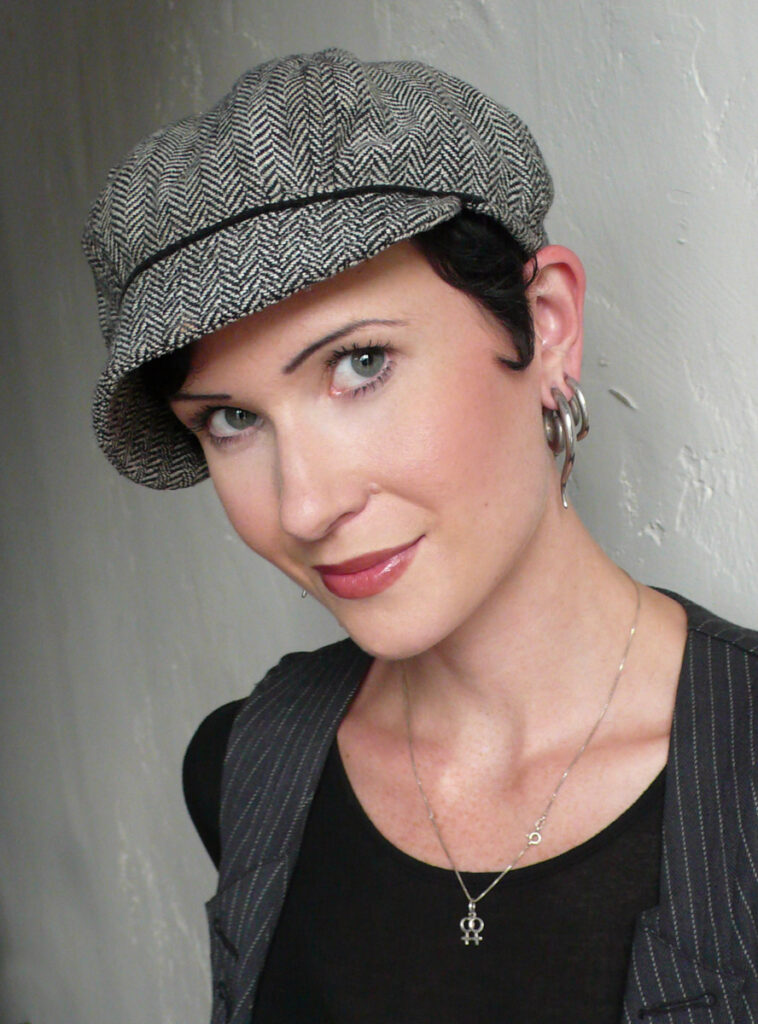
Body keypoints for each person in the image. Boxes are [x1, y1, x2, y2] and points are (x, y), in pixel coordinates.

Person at [82, 48, 758, 1024]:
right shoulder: (244, 769)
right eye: (231, 419)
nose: (305, 506)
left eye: (360, 363)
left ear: (546, 325)